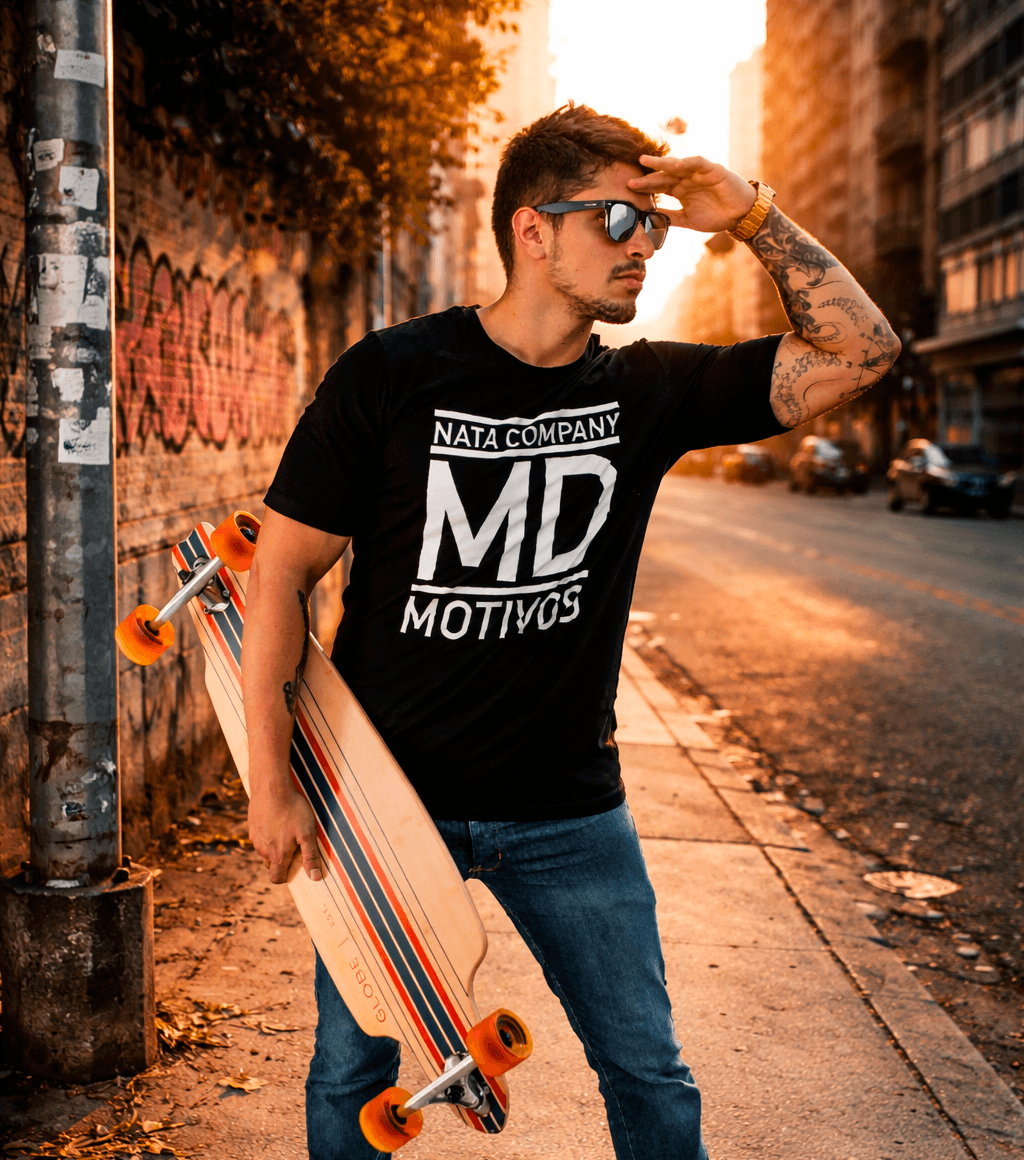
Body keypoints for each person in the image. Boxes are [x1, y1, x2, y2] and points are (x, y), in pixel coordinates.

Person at [242, 104, 899, 1160]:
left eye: (655, 225)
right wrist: (274, 787)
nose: (644, 242)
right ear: (530, 229)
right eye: (615, 219)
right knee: (350, 1069)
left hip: (568, 816)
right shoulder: (395, 374)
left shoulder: (649, 389)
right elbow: (279, 576)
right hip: (380, 799)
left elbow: (862, 352)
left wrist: (752, 216)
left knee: (649, 1072)